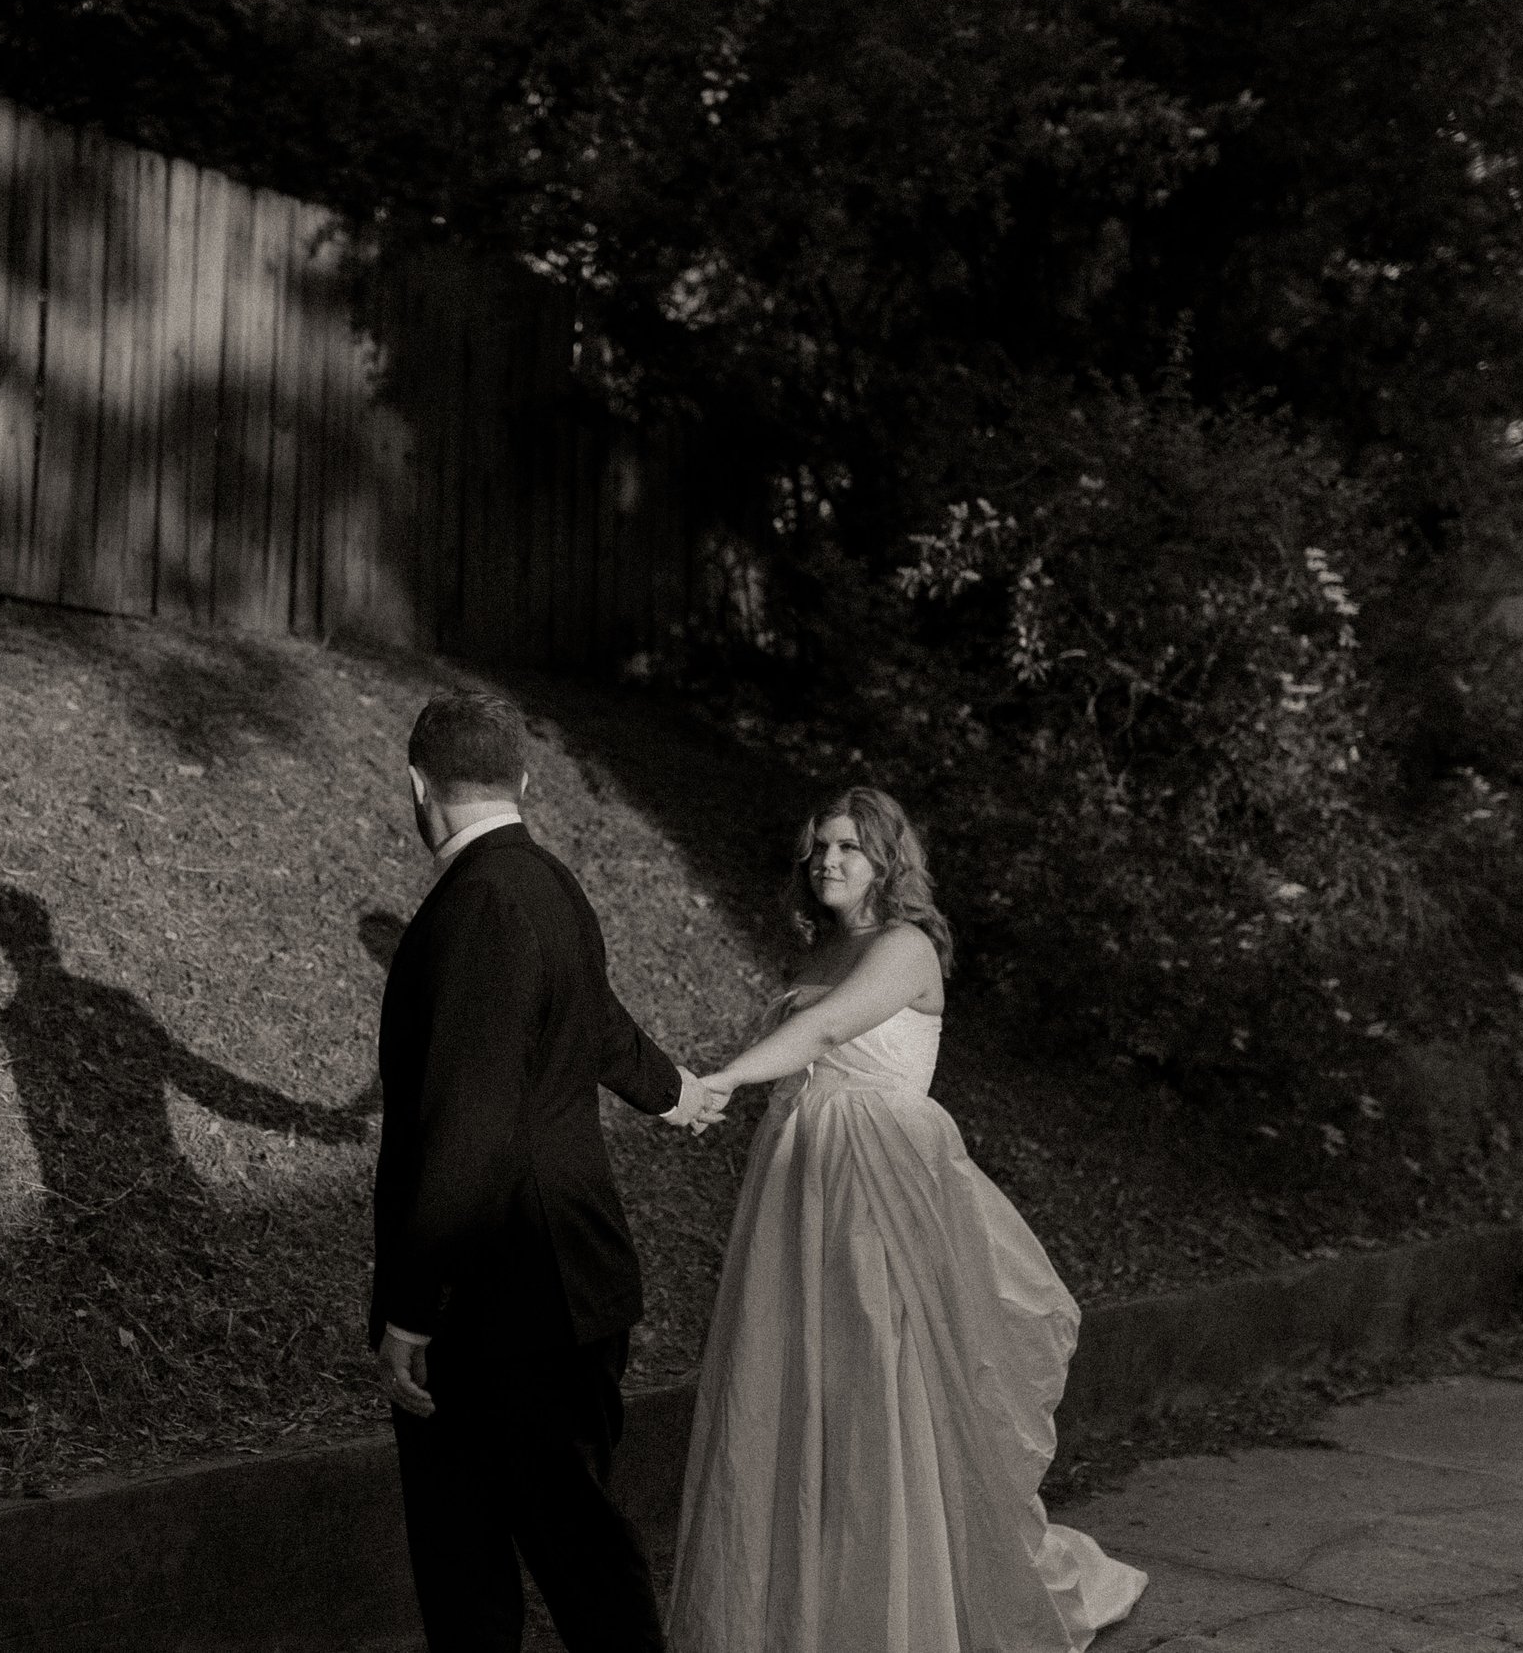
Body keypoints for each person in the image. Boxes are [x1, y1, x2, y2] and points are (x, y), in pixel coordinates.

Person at [668, 787, 1146, 1653]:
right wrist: (725, 1086)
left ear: (889, 858)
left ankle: (904, 1607)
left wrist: (722, 1081)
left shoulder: (904, 944)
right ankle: (807, 1604)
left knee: (881, 1378)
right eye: (818, 847)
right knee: (796, 1377)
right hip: (800, 1172)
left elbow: (823, 1031)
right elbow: (801, 1043)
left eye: (848, 846)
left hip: (879, 1178)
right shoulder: (827, 942)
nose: (828, 861)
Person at [370, 688, 724, 1653]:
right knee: (558, 1546)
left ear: (417, 785)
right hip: (563, 1290)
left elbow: (468, 1128)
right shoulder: (549, 882)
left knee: (502, 1558)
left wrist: (410, 1306)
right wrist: (675, 1090)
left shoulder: (477, 901)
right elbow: (597, 1017)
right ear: (524, 781)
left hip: (501, 1305)